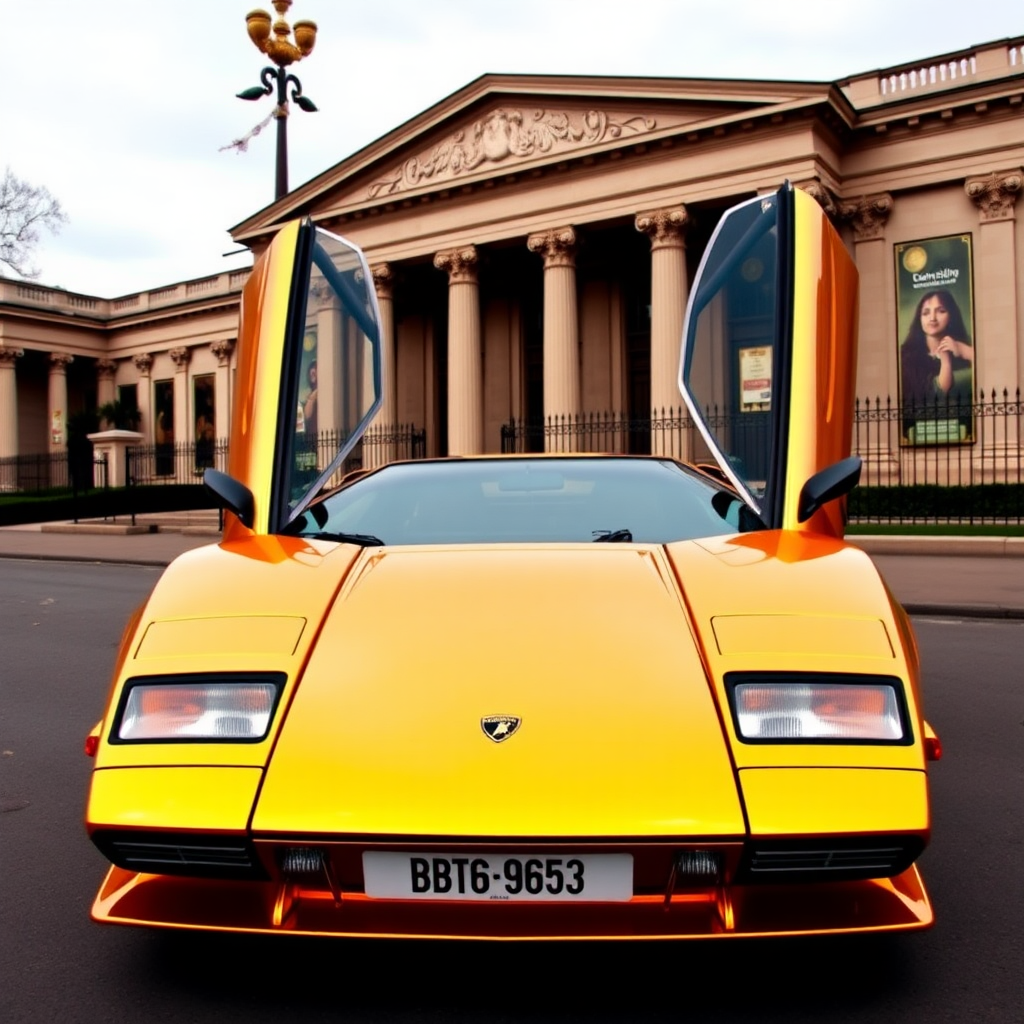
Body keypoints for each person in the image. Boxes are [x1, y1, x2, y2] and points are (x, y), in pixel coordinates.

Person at [900, 289, 974, 409]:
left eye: (941, 311)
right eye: (926, 313)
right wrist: (945, 362)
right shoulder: (906, 356)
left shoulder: (963, 348)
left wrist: (964, 351)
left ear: (951, 315)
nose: (932, 318)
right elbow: (936, 394)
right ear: (919, 319)